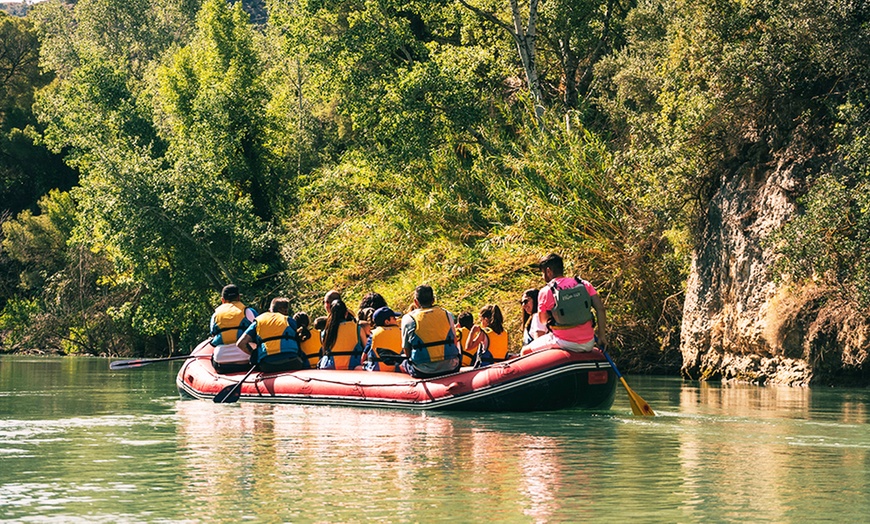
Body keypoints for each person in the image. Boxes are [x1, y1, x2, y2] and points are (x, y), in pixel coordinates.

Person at [521, 253, 606, 354]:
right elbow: (600, 309)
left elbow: (543, 320)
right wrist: (601, 336)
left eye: (543, 273)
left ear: (548, 271)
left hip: (564, 342)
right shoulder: (583, 284)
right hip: (589, 342)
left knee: (525, 351)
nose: (543, 276)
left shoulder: (546, 291)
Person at [399, 285, 461, 378]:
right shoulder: (447, 314)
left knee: (402, 363)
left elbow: (407, 350)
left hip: (423, 371)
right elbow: (454, 341)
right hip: (452, 367)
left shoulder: (408, 318)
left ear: (416, 302)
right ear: (433, 300)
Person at [237, 297, 308, 373]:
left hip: (267, 365)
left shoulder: (259, 321)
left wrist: (255, 354)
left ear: (270, 309)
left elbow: (241, 343)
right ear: (284, 310)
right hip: (292, 362)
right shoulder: (289, 320)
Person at [209, 284, 258, 374]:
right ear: (239, 298)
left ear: (222, 300)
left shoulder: (215, 315)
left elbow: (213, 334)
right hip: (246, 360)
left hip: (222, 362)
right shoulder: (248, 311)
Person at [318, 298, 365, 370]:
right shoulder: (357, 329)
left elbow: (323, 350)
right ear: (346, 314)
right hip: (353, 366)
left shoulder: (325, 332)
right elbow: (367, 349)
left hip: (330, 367)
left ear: (331, 314)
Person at [363, 307, 404, 372]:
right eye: (394, 318)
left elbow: (364, 355)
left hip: (376, 370)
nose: (396, 320)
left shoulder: (373, 334)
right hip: (396, 370)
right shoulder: (401, 333)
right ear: (387, 322)